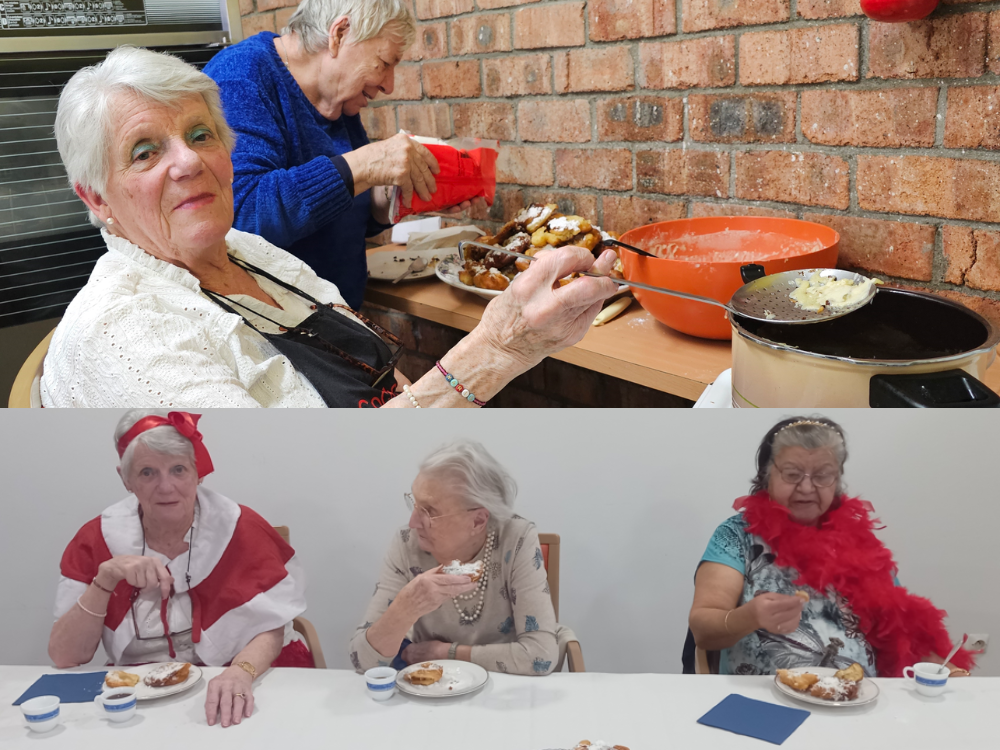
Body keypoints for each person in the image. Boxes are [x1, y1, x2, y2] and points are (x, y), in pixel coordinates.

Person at [40, 46, 618, 408]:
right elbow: (305, 498)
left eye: (199, 135)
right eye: (144, 152)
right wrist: (500, 348)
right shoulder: (126, 337)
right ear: (97, 198)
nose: (188, 162)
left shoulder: (246, 251)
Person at [204, 0, 475, 308]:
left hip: (338, 321)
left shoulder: (336, 97)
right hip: (275, 335)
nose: (389, 85)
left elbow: (346, 211)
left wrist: (398, 192)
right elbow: (241, 215)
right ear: (340, 34)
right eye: (385, 63)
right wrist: (365, 165)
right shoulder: (239, 77)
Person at [48, 410, 310, 727]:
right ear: (125, 478)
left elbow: (274, 623)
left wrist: (241, 672)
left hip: (240, 668)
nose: (166, 486)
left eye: (178, 470)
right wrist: (104, 580)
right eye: (147, 472)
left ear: (197, 472)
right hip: (144, 684)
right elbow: (65, 656)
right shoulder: (95, 539)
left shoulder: (240, 527)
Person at [687, 417, 975, 678]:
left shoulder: (860, 543)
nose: (807, 488)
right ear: (766, 477)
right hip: (765, 703)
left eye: (823, 475)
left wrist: (944, 668)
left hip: (858, 701)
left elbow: (899, 628)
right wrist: (748, 617)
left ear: (837, 480)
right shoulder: (736, 535)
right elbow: (703, 629)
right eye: (792, 474)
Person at [350, 440, 571, 676]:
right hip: (434, 688)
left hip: (505, 687)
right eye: (414, 504)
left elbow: (541, 655)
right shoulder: (407, 544)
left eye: (429, 511)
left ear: (477, 521)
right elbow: (362, 661)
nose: (413, 522)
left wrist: (446, 653)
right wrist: (405, 609)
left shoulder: (516, 540)